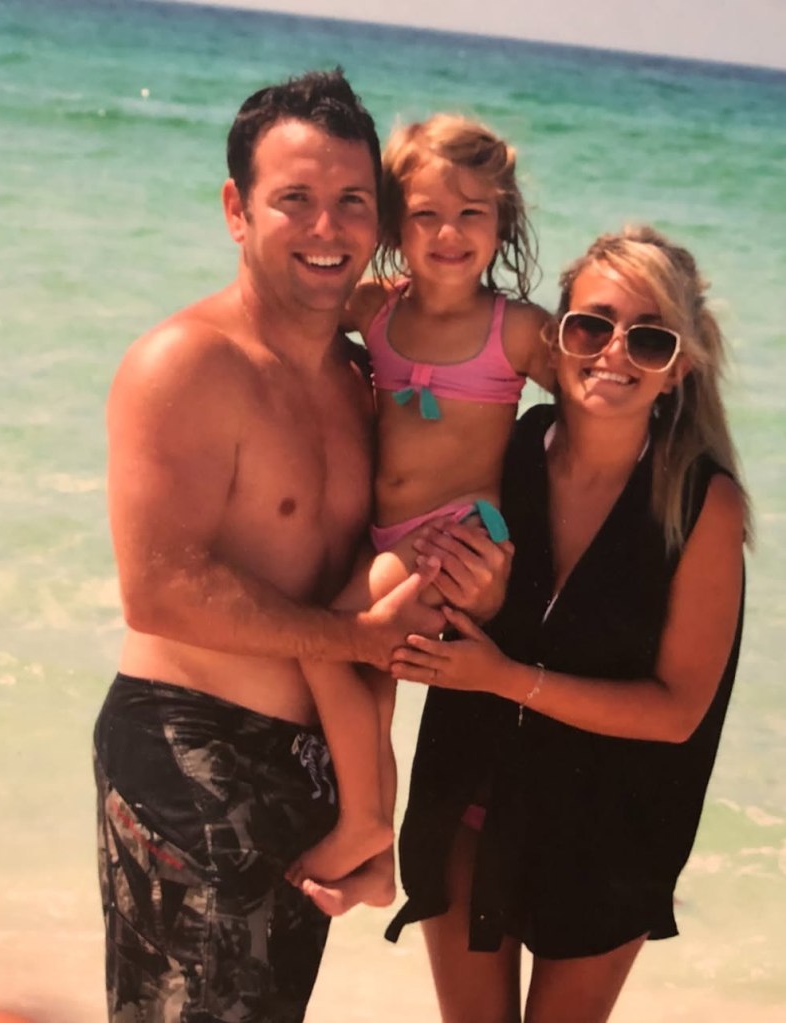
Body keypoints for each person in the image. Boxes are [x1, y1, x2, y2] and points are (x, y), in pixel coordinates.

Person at [93, 70, 504, 1023]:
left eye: (352, 202)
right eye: (296, 200)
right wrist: (354, 643)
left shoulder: (364, 382)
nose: (329, 229)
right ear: (237, 209)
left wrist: (475, 580)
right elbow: (158, 591)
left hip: (311, 766)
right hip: (186, 747)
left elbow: (374, 570)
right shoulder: (188, 362)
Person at [386, 225, 749, 1023]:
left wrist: (509, 678)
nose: (612, 352)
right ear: (555, 339)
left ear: (675, 369)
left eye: (646, 339)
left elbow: (676, 709)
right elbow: (415, 537)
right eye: (591, 325)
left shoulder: (701, 503)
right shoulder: (507, 445)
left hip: (607, 833)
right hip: (469, 794)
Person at [286, 114, 554, 913]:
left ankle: (364, 821)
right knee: (372, 692)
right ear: (396, 224)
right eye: (427, 214)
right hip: (387, 538)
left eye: (472, 213)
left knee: (323, 641)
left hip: (455, 538)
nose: (448, 232)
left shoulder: (518, 331)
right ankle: (378, 862)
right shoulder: (377, 308)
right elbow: (290, 307)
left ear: (501, 222)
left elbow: (588, 410)